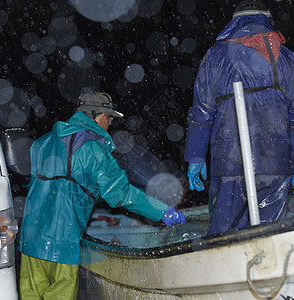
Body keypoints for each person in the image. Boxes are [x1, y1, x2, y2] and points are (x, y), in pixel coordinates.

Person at [18, 91, 186, 299]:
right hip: (63, 243)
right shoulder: (94, 149)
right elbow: (120, 193)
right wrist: (162, 211)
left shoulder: (42, 142)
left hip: (31, 238)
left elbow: (44, 185)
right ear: (97, 117)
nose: (110, 124)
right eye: (110, 118)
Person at [184, 0, 294, 235]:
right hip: (275, 162)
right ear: (266, 19)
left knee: (223, 235)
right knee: (269, 232)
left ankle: (223, 269)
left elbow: (202, 111)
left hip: (229, 161)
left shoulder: (215, 56)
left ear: (233, 22)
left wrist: (195, 156)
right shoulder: (284, 57)